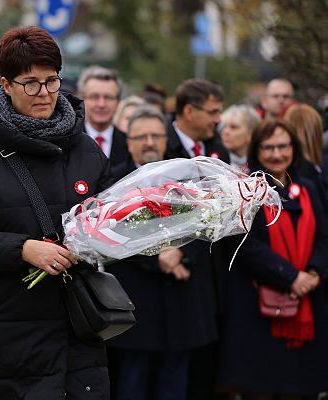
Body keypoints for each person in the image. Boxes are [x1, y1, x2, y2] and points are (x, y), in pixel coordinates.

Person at [0, 26, 114, 399]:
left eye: (51, 81)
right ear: (6, 84)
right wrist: (23, 249)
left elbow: (109, 219)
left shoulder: (86, 149)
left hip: (76, 332)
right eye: (30, 83)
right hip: (5, 338)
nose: (45, 93)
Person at [107, 105, 213, 400]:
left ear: (166, 140)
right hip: (136, 305)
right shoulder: (113, 183)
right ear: (129, 142)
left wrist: (181, 255)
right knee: (131, 386)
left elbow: (211, 224)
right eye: (142, 137)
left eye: (156, 135)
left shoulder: (189, 178)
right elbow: (112, 236)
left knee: (174, 387)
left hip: (181, 304)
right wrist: (160, 259)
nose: (150, 142)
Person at [218, 119, 328, 399]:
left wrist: (313, 273)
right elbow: (243, 244)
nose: (277, 154)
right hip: (258, 310)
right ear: (257, 150)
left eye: (283, 146)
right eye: (269, 147)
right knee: (262, 390)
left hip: (306, 303)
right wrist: (291, 276)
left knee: (301, 389)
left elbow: (323, 238)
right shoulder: (244, 190)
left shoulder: (307, 189)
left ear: (294, 148)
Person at [164, 78, 229, 400]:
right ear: (189, 111)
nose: (219, 120)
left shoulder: (217, 148)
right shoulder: (162, 150)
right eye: (213, 112)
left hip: (209, 280)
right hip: (172, 281)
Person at [77, 65, 130, 166]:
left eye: (108, 97)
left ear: (118, 102)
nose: (101, 104)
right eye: (94, 97)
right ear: (82, 100)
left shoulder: (129, 144)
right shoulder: (70, 142)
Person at [220, 105, 261, 170]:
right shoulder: (216, 161)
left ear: (251, 133)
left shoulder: (264, 162)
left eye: (233, 127)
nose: (225, 132)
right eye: (224, 126)